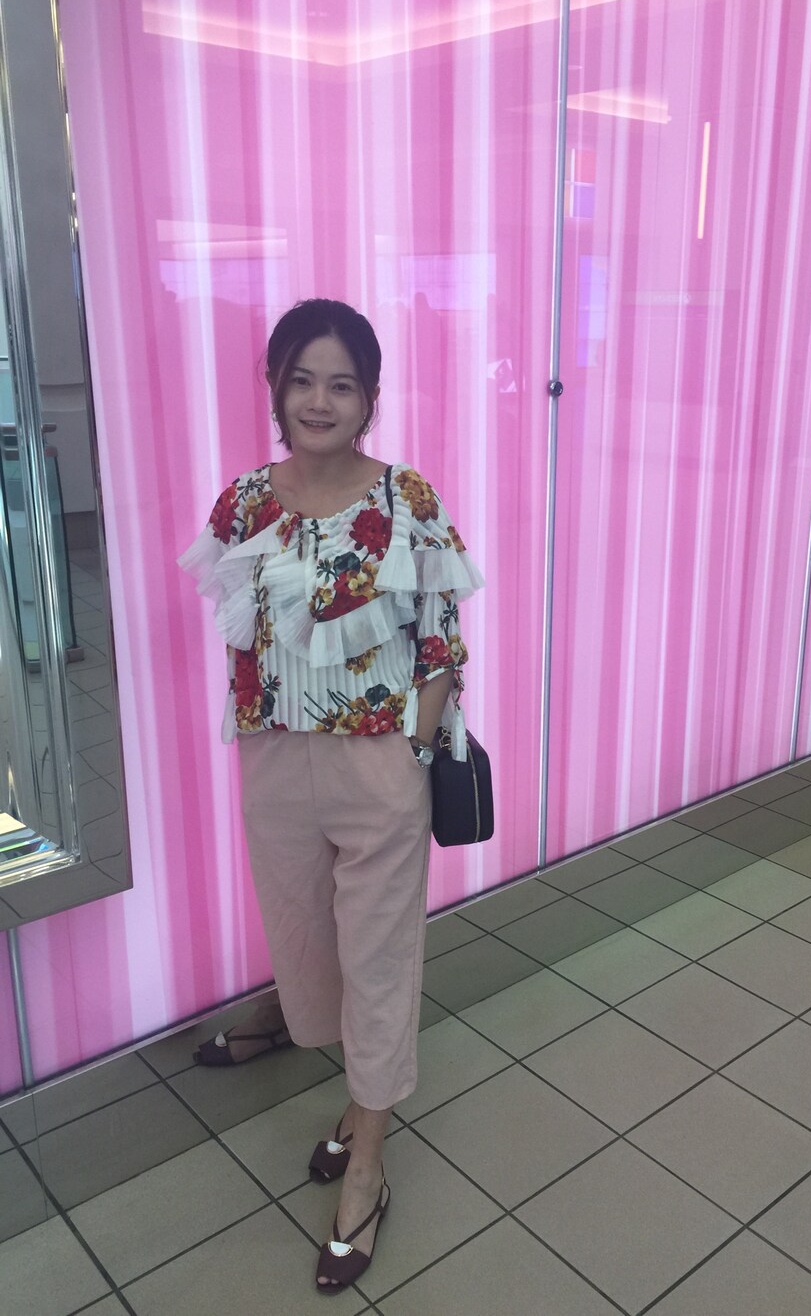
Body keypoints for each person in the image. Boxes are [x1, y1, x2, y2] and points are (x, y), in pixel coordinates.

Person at [179, 298, 483, 1292]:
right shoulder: (241, 503)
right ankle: (354, 1100)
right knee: (308, 949)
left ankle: (369, 1165)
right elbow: (240, 633)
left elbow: (441, 642)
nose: (319, 400)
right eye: (301, 379)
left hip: (376, 766)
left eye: (341, 383)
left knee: (379, 963)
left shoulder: (405, 497)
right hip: (274, 765)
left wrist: (410, 750)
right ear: (275, 388)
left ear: (369, 396)